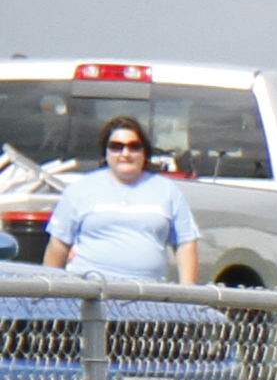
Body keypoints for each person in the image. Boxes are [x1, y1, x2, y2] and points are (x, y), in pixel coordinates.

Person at [46, 118, 204, 285]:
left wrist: (188, 293)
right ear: (105, 153)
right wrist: (50, 290)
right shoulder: (79, 189)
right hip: (90, 292)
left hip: (149, 294)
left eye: (134, 147)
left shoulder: (168, 190)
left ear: (145, 152)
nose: (125, 154)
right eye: (116, 147)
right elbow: (59, 244)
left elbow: (186, 244)